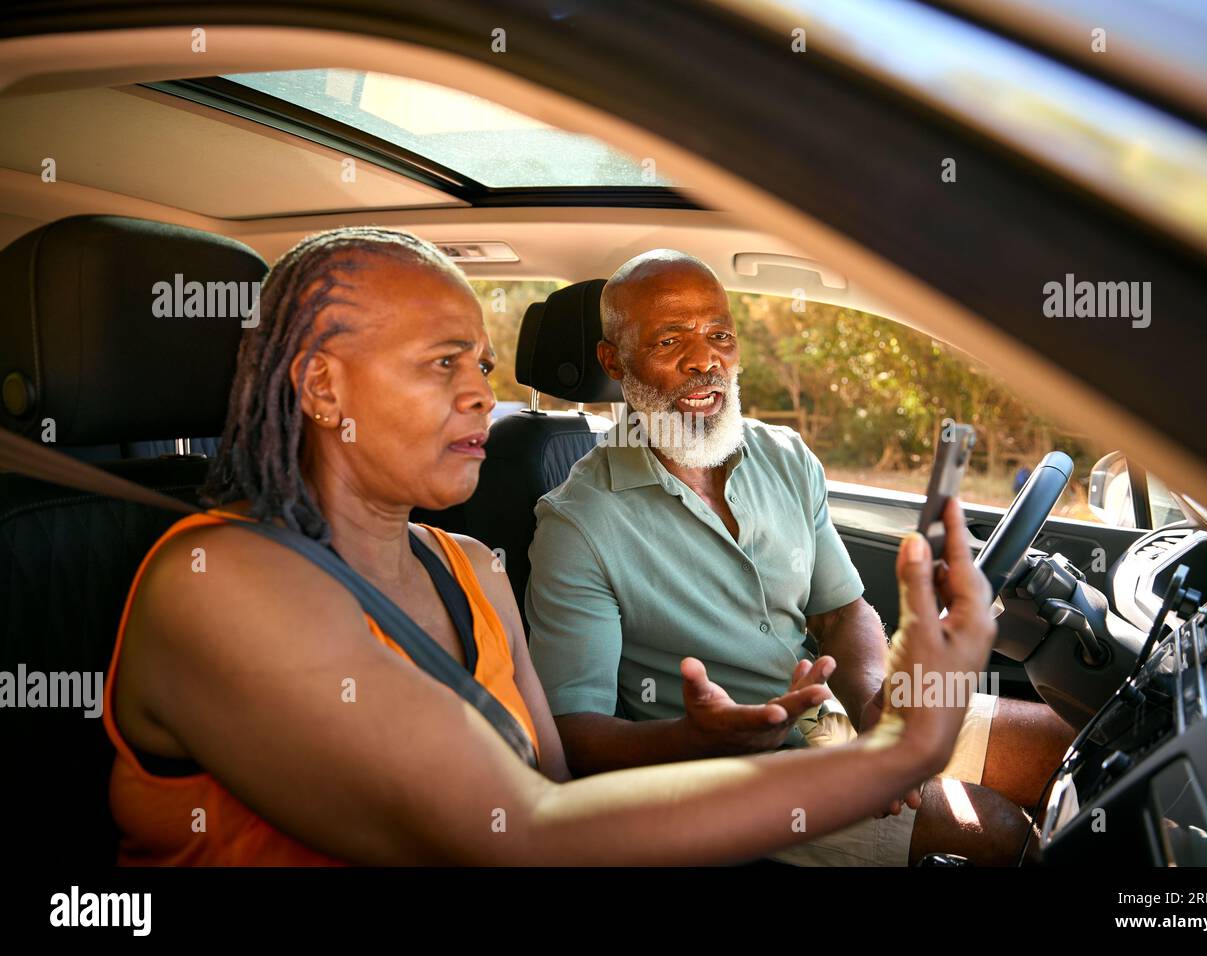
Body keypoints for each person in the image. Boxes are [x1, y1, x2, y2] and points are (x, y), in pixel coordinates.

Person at [102, 227, 998, 865]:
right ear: (323, 386)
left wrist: (704, 741)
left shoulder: (470, 568)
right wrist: (903, 749)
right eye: (442, 362)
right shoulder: (215, 581)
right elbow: (526, 833)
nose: (479, 396)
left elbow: (563, 791)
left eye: (481, 368)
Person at [525, 249, 1076, 865]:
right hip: (733, 782)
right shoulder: (577, 524)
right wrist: (695, 738)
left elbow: (842, 612)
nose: (703, 359)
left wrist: (872, 709)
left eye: (720, 335)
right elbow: (573, 735)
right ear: (613, 360)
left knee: (1071, 749)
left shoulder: (784, 456)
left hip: (833, 717)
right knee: (1002, 832)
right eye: (669, 339)